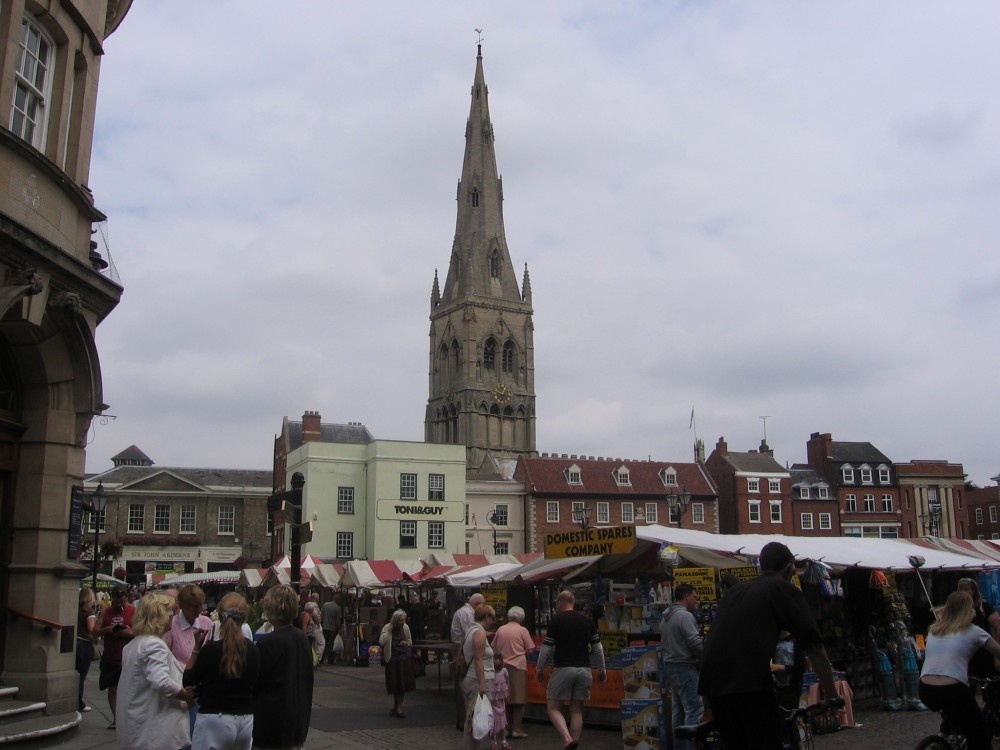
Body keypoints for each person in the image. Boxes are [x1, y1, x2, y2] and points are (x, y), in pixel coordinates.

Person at [699, 541, 838, 750]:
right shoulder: (782, 589)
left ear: (761, 567)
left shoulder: (735, 592)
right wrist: (833, 696)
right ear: (790, 568)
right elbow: (815, 648)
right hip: (748, 684)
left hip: (713, 685)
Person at [919, 591, 1000, 750]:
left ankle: (946, 737)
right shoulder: (973, 630)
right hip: (952, 688)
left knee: (956, 717)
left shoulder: (934, 629)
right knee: (979, 733)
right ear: (969, 610)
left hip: (925, 687)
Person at [117, 592, 193, 750]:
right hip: (158, 734)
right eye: (172, 613)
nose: (174, 617)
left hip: (139, 728)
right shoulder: (153, 645)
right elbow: (161, 682)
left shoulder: (133, 645)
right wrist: (186, 696)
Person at [183, 592, 260, 750]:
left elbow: (188, 679)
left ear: (220, 616)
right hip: (244, 719)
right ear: (244, 618)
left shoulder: (210, 650)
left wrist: (196, 649)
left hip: (214, 717)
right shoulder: (253, 650)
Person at [535, 590, 607, 750]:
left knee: (553, 707)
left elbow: (546, 649)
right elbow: (598, 649)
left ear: (560, 603)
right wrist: (602, 669)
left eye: (556, 604)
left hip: (563, 668)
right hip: (584, 669)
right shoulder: (587, 620)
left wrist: (539, 668)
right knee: (576, 710)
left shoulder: (556, 620)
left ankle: (567, 740)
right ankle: (574, 742)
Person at [253, 585, 314, 750]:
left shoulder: (268, 642)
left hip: (272, 723)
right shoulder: (302, 639)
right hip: (298, 721)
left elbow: (256, 681)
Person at [660, 583, 704, 750]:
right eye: (695, 597)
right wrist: (703, 658)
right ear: (686, 596)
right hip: (686, 667)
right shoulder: (684, 616)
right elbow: (695, 643)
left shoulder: (666, 617)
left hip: (671, 666)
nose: (697, 601)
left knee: (678, 712)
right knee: (693, 711)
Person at [491, 605, 536, 740]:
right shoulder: (523, 630)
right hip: (518, 667)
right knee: (519, 700)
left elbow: (494, 647)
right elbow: (530, 649)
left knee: (505, 700)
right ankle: (516, 729)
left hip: (502, 667)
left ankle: (505, 728)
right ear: (521, 617)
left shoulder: (501, 629)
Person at [94, 585, 135, 729]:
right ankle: (117, 719)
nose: (120, 605)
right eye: (117, 602)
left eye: (122, 602)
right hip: (111, 656)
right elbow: (95, 631)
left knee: (128, 689)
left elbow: (140, 631)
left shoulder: (133, 611)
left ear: (127, 599)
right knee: (113, 689)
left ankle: (127, 718)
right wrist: (108, 629)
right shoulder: (106, 612)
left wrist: (128, 633)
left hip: (128, 657)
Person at [461, 603, 497, 750]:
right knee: (478, 719)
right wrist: (482, 683)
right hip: (477, 680)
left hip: (471, 679)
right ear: (487, 617)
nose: (493, 621)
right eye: (492, 618)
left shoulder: (472, 630)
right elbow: (478, 660)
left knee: (474, 718)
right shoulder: (479, 633)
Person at [451, 592, 486, 730]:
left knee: (462, 687)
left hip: (462, 649)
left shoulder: (463, 611)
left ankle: (465, 720)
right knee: (464, 687)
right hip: (463, 651)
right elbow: (470, 633)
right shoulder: (466, 613)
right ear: (477, 604)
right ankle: (466, 721)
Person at [957, 577, 1000, 680]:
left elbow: (998, 625)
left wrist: (997, 652)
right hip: (967, 655)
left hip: (986, 653)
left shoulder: (983, 607)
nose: (964, 592)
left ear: (973, 591)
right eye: (961, 590)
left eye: (966, 589)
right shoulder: (958, 609)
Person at [379, 609, 415, 718]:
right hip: (392, 658)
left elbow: (410, 640)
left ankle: (400, 707)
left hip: (403, 658)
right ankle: (395, 705)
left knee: (402, 684)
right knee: (394, 683)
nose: (402, 622)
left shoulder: (406, 627)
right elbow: (381, 642)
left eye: (403, 620)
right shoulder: (387, 627)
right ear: (395, 620)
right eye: (400, 621)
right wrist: (388, 631)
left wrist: (406, 642)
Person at [76, 587, 98, 712]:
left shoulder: (77, 608)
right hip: (84, 643)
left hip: (75, 641)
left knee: (76, 674)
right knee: (82, 675)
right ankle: (79, 702)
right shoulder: (90, 610)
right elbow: (91, 629)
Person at [319, 594, 343, 665]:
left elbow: (321, 615)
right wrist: (339, 628)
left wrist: (321, 624)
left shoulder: (325, 604)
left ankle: (321, 659)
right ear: (338, 600)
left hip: (324, 627)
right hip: (333, 629)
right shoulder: (338, 608)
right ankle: (330, 660)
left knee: (324, 644)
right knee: (331, 645)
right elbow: (338, 621)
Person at [300, 600, 325, 666]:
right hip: (308, 634)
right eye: (314, 608)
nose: (315, 609)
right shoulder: (306, 615)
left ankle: (312, 661)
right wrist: (304, 635)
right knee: (308, 648)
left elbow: (317, 622)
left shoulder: (310, 615)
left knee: (310, 648)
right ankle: (312, 662)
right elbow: (304, 626)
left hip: (310, 634)